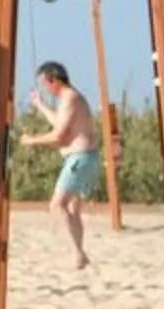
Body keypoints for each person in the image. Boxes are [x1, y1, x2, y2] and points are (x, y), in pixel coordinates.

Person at [22, 60, 103, 270]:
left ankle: (77, 253)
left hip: (80, 158)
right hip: (86, 157)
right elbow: (60, 122)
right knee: (73, 208)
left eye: (45, 84)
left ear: (54, 80)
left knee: (57, 205)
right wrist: (40, 104)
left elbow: (59, 136)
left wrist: (32, 140)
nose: (45, 88)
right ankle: (79, 254)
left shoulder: (69, 98)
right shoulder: (71, 98)